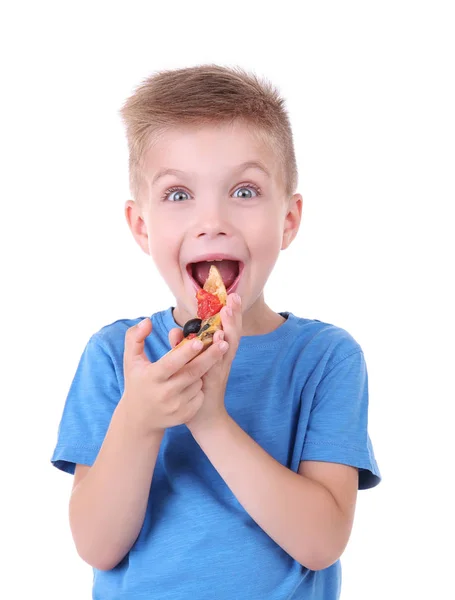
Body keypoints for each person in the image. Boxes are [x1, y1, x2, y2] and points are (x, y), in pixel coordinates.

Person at [51, 64, 381, 600]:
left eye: (245, 191)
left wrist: (210, 421)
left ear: (289, 220)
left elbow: (322, 541)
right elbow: (96, 545)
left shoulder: (326, 359)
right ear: (141, 226)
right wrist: (140, 417)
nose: (213, 221)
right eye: (179, 195)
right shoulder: (117, 357)